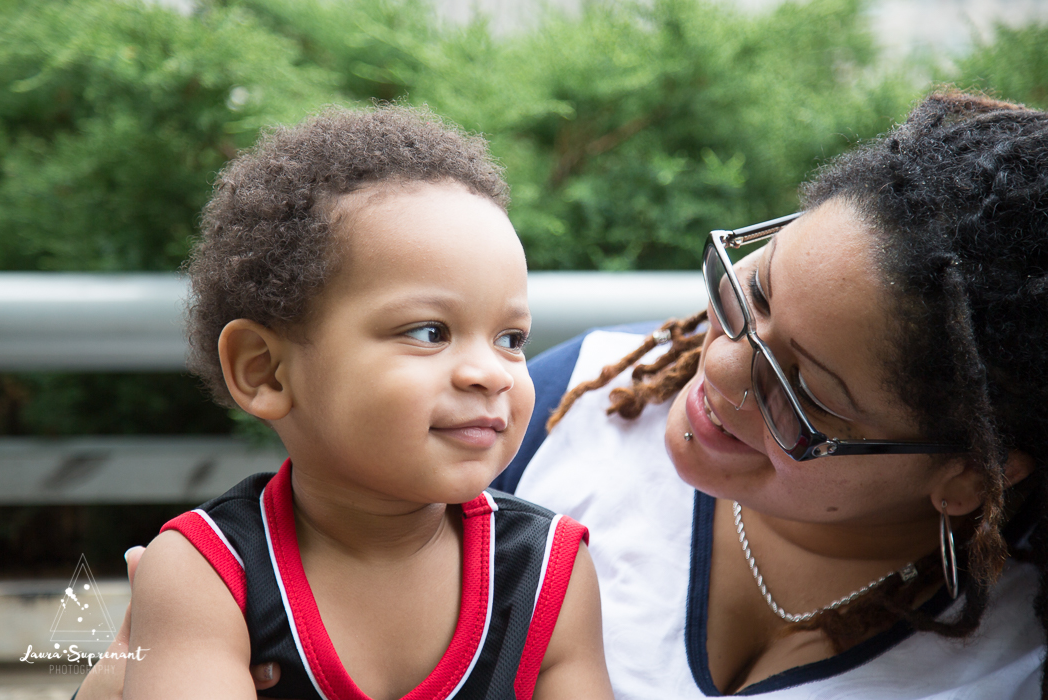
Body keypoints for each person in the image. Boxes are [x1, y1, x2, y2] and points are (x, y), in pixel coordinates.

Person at [78, 90, 1048, 699]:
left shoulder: (1019, 658)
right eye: (747, 296)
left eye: (804, 393)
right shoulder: (570, 407)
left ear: (969, 476)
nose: (715, 371)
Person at [104, 106, 613, 700]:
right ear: (264, 369)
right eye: (429, 331)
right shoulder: (209, 573)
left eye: (511, 340)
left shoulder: (547, 574)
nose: (488, 373)